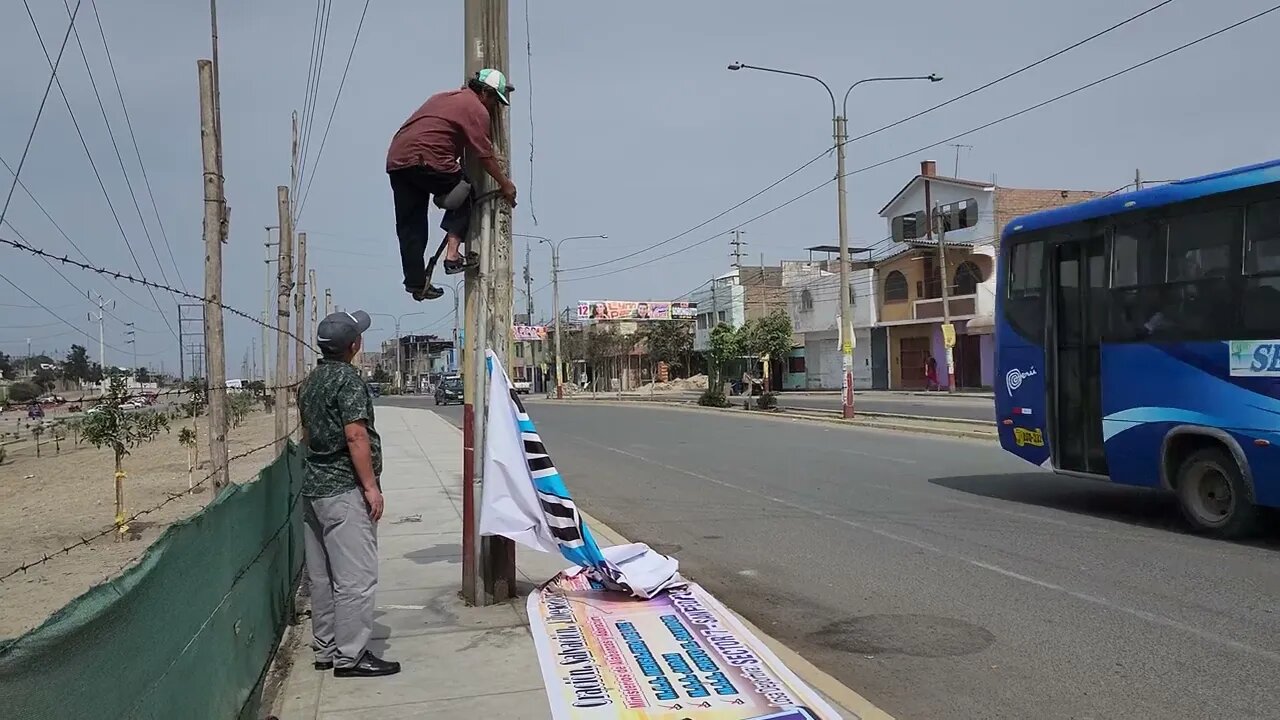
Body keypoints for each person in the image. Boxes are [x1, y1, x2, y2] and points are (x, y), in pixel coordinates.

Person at [297, 310, 400, 678]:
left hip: (314, 489)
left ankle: (325, 648)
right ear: (354, 346)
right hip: (343, 490)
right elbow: (355, 435)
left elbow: (308, 435)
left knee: (322, 578)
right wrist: (370, 487)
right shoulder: (348, 382)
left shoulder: (309, 383)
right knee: (356, 578)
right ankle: (351, 655)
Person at [387, 69, 519, 302]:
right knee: (466, 191)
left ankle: (416, 282)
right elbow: (484, 153)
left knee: (410, 225)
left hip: (398, 160)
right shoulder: (475, 108)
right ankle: (453, 256)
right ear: (485, 92)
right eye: (494, 100)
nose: (494, 107)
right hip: (426, 157)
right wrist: (505, 184)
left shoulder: (443, 97)